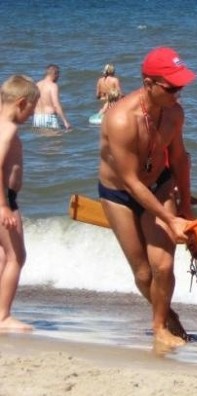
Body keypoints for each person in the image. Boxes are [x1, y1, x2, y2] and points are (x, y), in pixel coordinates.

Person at [98, 47, 196, 347]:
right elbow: (130, 181)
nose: (177, 93)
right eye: (171, 87)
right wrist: (170, 219)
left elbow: (179, 159)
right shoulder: (120, 120)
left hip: (160, 184)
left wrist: (186, 211)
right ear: (148, 82)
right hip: (120, 194)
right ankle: (168, 315)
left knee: (163, 266)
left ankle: (159, 328)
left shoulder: (174, 113)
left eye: (181, 86)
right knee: (143, 273)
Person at [0, 75, 40, 331]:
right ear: (22, 103)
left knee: (3, 256)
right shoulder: (10, 128)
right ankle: (3, 317)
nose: (32, 115)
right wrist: (4, 205)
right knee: (17, 256)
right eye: (32, 109)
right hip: (4, 199)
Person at [33, 64, 71, 130]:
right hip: (49, 117)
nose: (58, 77)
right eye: (58, 74)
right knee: (55, 139)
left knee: (42, 139)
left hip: (37, 118)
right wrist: (65, 121)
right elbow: (56, 105)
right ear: (54, 74)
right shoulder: (53, 86)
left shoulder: (37, 84)